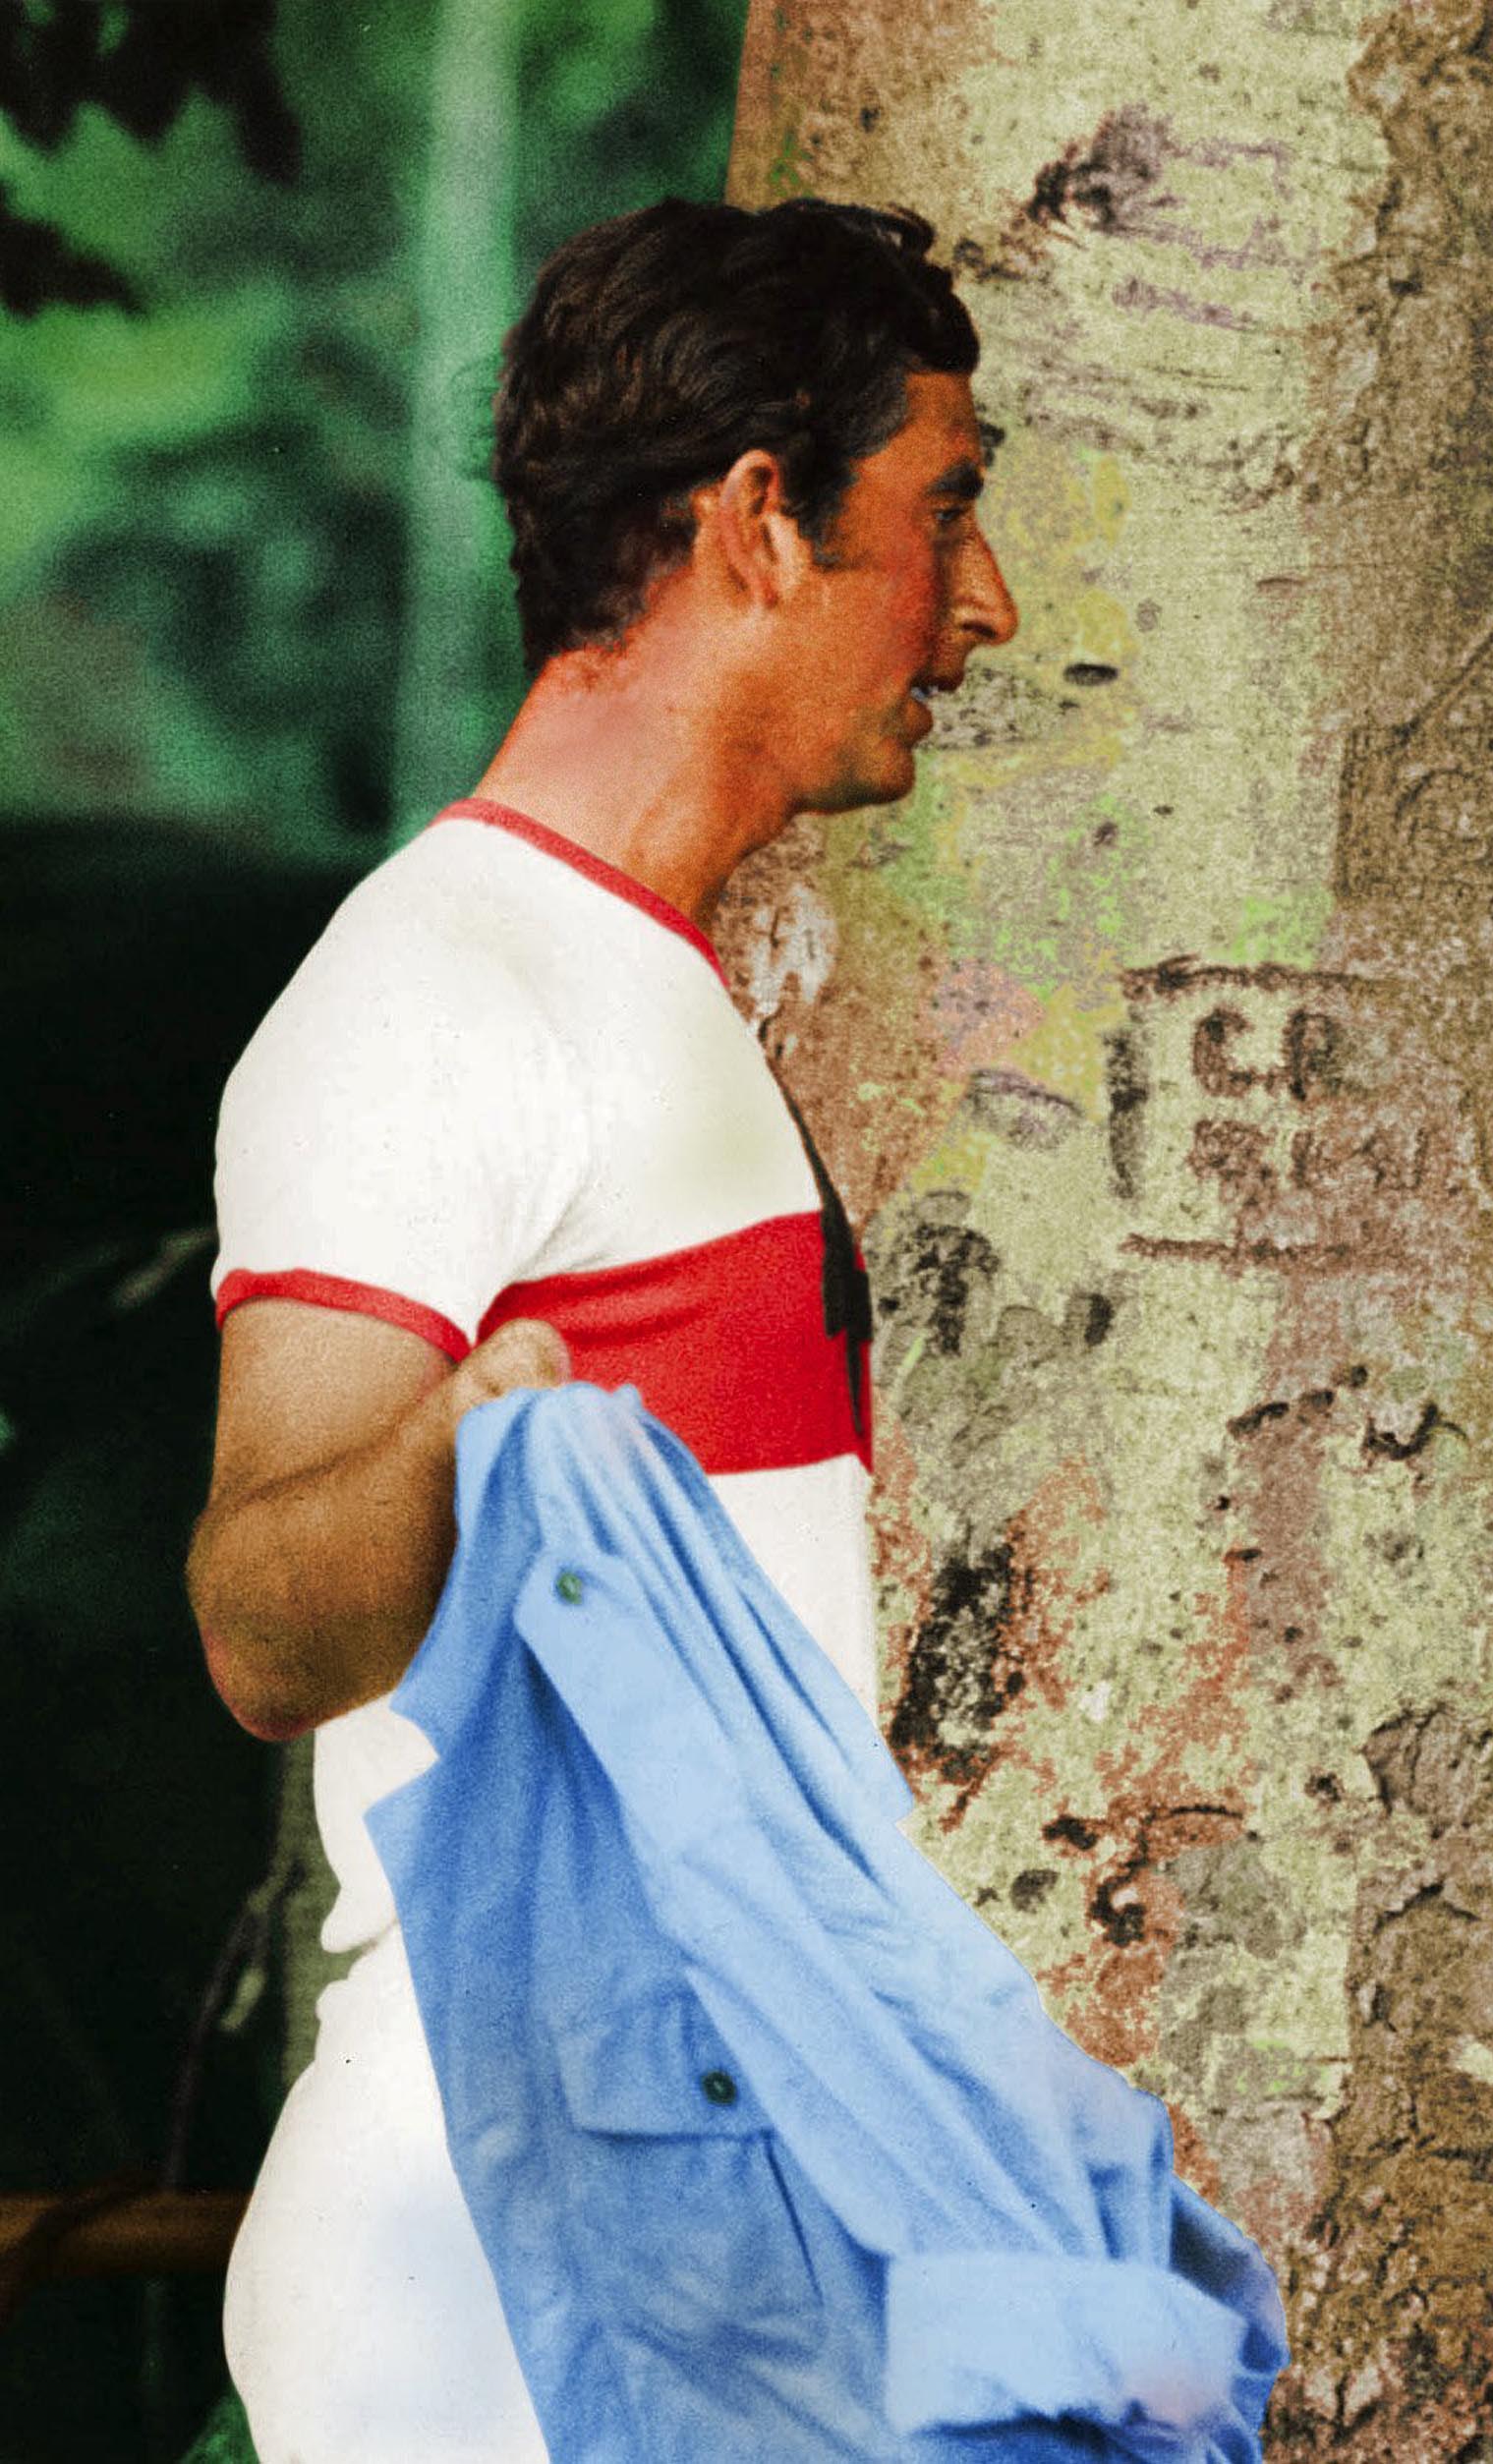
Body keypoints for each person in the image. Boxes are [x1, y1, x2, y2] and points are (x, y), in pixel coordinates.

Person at [188, 196, 1016, 2457]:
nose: (988, 608)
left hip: (686, 2236)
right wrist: (465, 1432)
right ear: (760, 519)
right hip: (498, 2255)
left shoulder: (634, 978)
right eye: (945, 510)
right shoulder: (437, 990)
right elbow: (267, 1623)